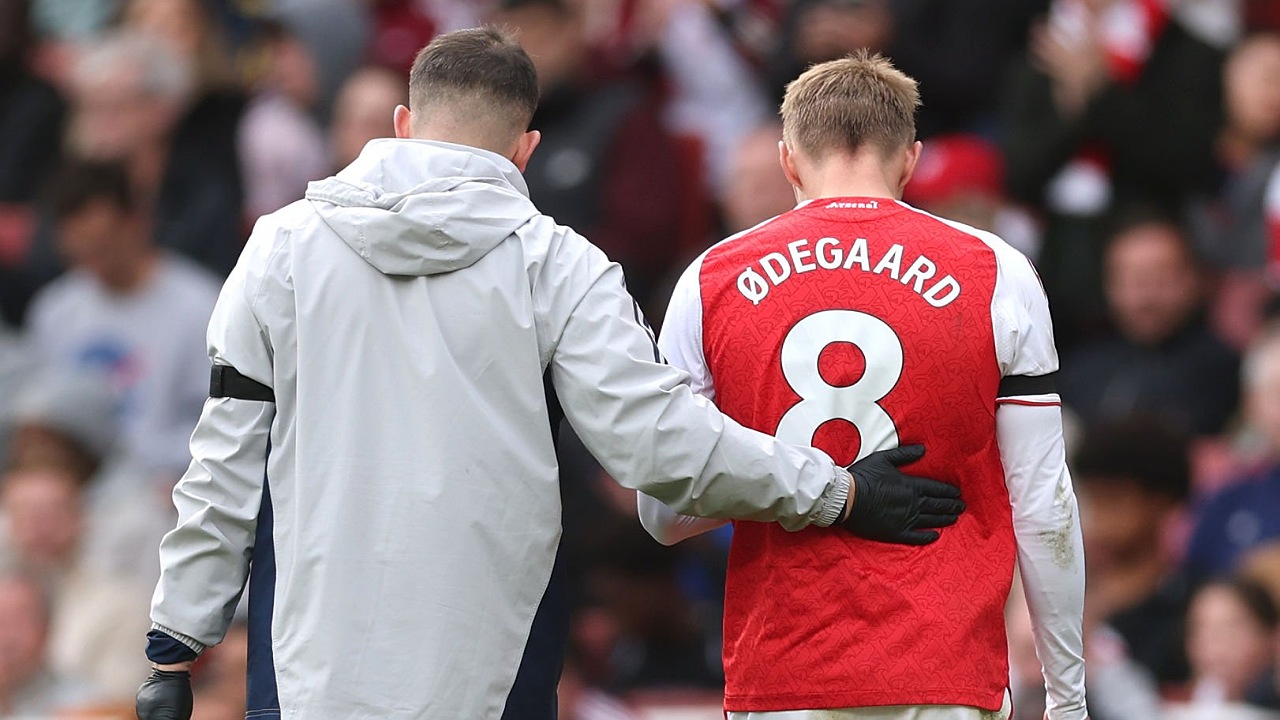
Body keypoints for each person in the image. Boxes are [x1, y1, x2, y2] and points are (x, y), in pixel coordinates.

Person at [134, 28, 964, 720]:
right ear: (526, 149)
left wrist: (173, 649)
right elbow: (660, 449)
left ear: (402, 122)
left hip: (305, 676)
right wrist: (838, 490)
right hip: (493, 674)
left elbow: (223, 464)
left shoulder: (278, 249)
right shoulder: (560, 266)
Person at [639, 52, 1086, 719]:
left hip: (783, 674)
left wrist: (794, 480)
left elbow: (664, 513)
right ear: (910, 160)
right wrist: (1067, 697)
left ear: (789, 162)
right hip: (945, 672)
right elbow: (1044, 504)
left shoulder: (711, 279)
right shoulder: (997, 271)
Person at [26, 158, 220, 478]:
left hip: (165, 480)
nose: (94, 262)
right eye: (80, 252)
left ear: (137, 222)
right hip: (73, 479)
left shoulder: (201, 307)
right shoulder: (55, 309)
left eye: (103, 244)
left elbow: (220, 423)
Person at [1058, 215, 1240, 436]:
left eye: (1161, 279)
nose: (1146, 297)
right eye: (1132, 281)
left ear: (1195, 279)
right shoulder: (1079, 371)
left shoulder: (1229, 373)